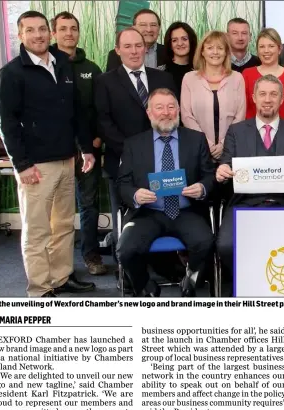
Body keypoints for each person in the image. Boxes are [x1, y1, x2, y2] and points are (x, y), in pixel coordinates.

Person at [0, 11, 96, 297]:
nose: (38, 35)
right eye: (30, 30)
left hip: (66, 160)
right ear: (20, 35)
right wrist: (22, 164)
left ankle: (62, 277)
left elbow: (76, 111)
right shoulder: (11, 74)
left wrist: (85, 148)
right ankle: (40, 288)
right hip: (35, 167)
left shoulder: (62, 63)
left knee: (63, 225)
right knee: (37, 229)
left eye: (42, 29)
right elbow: (6, 124)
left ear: (49, 34)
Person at [116, 88, 215, 297]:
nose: (166, 112)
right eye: (159, 107)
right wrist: (135, 195)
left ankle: (191, 278)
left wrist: (203, 187)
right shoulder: (134, 144)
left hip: (186, 210)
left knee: (205, 243)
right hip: (148, 212)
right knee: (126, 250)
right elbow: (123, 184)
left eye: (171, 107)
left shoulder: (196, 140)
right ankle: (145, 286)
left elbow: (210, 175)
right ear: (149, 113)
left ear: (178, 110)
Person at [94, 27, 176, 277]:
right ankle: (128, 273)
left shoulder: (163, 78)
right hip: (121, 162)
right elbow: (103, 122)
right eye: (127, 46)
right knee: (126, 218)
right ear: (117, 50)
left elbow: (172, 117)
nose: (134, 51)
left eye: (138, 46)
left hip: (163, 161)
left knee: (162, 211)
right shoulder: (104, 81)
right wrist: (136, 152)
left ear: (146, 48)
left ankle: (165, 266)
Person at [215, 75, 284, 284]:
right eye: (263, 94)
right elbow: (226, 164)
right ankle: (244, 285)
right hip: (243, 205)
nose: (268, 99)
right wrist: (222, 172)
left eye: (274, 94)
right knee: (226, 246)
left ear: (282, 99)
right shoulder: (236, 131)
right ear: (254, 98)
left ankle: (281, 289)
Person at [50, 11, 106, 276]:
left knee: (88, 204)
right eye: (63, 29)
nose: (69, 33)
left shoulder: (91, 69)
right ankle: (58, 264)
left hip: (88, 150)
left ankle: (91, 255)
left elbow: (99, 108)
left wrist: (95, 139)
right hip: (54, 151)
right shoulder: (46, 65)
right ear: (54, 33)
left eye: (73, 28)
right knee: (57, 209)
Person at [181, 31, 245, 163]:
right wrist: (206, 143)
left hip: (231, 149)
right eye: (210, 48)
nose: (215, 52)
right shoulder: (189, 78)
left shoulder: (237, 78)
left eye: (220, 48)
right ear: (202, 52)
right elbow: (186, 116)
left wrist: (224, 143)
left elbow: (240, 115)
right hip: (199, 149)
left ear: (226, 52)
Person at [242, 28, 284, 123]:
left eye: (271, 46)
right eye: (262, 46)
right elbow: (244, 109)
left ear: (280, 49)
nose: (266, 51)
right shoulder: (247, 74)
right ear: (257, 50)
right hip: (252, 133)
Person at [160, 22, 197, 99]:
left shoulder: (200, 71)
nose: (180, 43)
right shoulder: (160, 72)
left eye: (184, 39)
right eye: (174, 40)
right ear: (170, 45)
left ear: (191, 41)